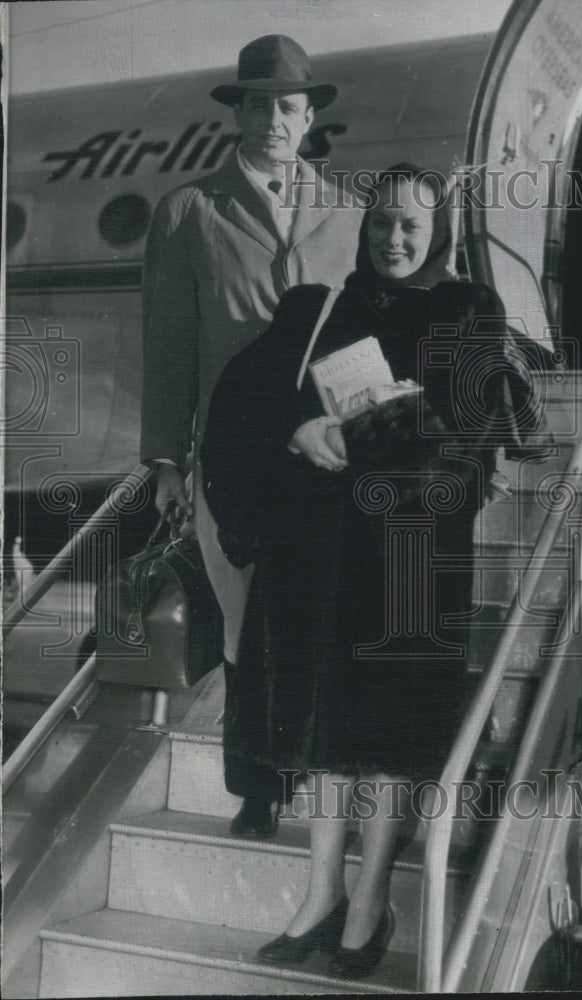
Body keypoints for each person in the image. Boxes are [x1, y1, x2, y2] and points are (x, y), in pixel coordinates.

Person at [201, 164, 512, 978]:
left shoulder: (468, 311)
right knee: (325, 731)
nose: (395, 239)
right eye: (381, 223)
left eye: (412, 224)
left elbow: (473, 435)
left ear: (438, 228)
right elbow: (245, 397)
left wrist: (389, 424)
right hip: (323, 547)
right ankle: (317, 895)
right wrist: (297, 430)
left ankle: (369, 902)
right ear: (363, 226)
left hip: (411, 545)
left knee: (388, 734)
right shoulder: (320, 309)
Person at [140, 34, 362, 838]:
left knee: (312, 613)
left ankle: (311, 762)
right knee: (240, 622)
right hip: (233, 454)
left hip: (321, 447)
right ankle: (258, 783)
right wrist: (166, 458)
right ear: (239, 113)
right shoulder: (190, 210)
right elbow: (167, 344)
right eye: (259, 103)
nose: (274, 118)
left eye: (288, 106)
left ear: (309, 119)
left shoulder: (348, 212)